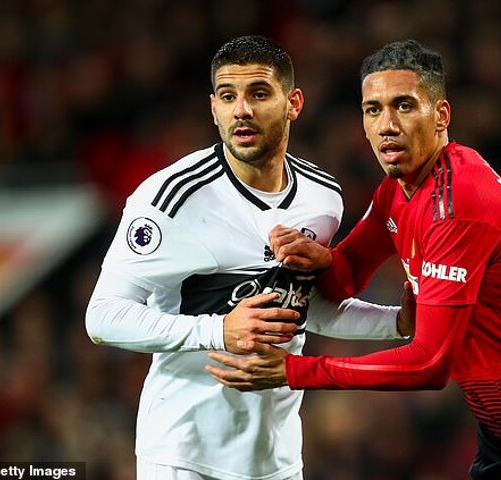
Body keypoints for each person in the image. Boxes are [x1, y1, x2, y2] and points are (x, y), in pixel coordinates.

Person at [206, 39, 501, 479]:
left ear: (441, 115)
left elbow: (429, 364)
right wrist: (317, 259)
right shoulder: (398, 190)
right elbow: (343, 280)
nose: (386, 125)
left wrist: (295, 370)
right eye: (373, 110)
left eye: (403, 106)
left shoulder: (459, 201)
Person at [85, 35, 414, 480]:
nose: (241, 109)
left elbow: (300, 310)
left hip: (276, 459)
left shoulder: (322, 197)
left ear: (293, 103)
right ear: (213, 109)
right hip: (184, 455)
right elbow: (103, 317)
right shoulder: (172, 198)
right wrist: (219, 330)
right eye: (227, 96)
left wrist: (396, 322)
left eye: (258, 94)